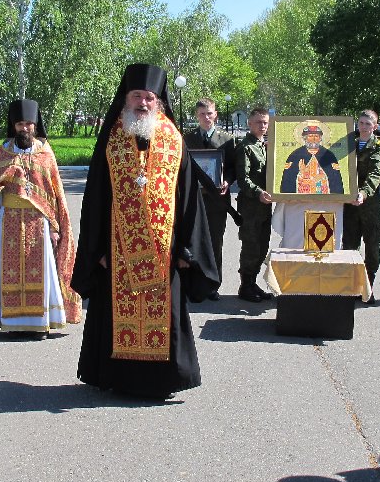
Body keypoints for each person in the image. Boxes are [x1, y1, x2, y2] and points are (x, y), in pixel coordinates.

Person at [73, 63, 219, 399]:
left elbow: (188, 199)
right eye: (137, 96)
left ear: (159, 101)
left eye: (149, 97)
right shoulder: (111, 139)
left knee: (165, 318)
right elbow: (96, 199)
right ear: (126, 98)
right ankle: (117, 379)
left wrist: (187, 250)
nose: (142, 103)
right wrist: (97, 250)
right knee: (115, 317)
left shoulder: (173, 139)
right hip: (117, 255)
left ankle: (162, 381)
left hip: (165, 255)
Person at [0, 99, 82, 335]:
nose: (24, 128)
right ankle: (12, 324)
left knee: (42, 271)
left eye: (28, 124)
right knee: (8, 272)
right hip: (8, 222)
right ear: (13, 126)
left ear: (35, 125)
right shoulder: (3, 153)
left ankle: (39, 324)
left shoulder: (45, 153)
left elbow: (55, 195)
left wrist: (55, 227)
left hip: (39, 222)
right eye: (20, 124)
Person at [183, 98, 238, 301]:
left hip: (217, 200)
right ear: (196, 116)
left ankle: (213, 284)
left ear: (216, 114)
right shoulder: (187, 139)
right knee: (193, 242)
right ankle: (194, 284)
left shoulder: (227, 140)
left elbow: (233, 167)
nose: (206, 117)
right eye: (202, 114)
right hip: (194, 199)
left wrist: (227, 181)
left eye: (209, 113)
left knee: (215, 242)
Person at [343, 110, 380, 299]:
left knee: (372, 246)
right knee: (349, 246)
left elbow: (376, 173)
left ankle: (368, 287)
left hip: (369, 203)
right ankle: (351, 287)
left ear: (375, 127)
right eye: (361, 123)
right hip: (349, 203)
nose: (363, 127)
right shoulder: (347, 143)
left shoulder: (378, 146)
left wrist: (364, 193)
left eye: (368, 124)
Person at [234, 107, 274, 303]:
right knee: (251, 246)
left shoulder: (264, 146)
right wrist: (258, 193)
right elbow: (243, 180)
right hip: (251, 206)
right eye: (258, 122)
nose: (262, 125)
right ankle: (245, 286)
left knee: (262, 246)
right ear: (249, 124)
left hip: (264, 206)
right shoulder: (245, 147)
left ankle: (252, 282)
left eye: (265, 122)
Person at [279, 122, 345, 194]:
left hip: (323, 197)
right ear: (305, 138)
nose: (313, 139)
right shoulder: (296, 155)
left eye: (316, 136)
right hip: (302, 197)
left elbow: (335, 179)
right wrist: (302, 173)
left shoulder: (328, 155)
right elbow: (288, 179)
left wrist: (322, 176)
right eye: (310, 136)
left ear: (320, 139)